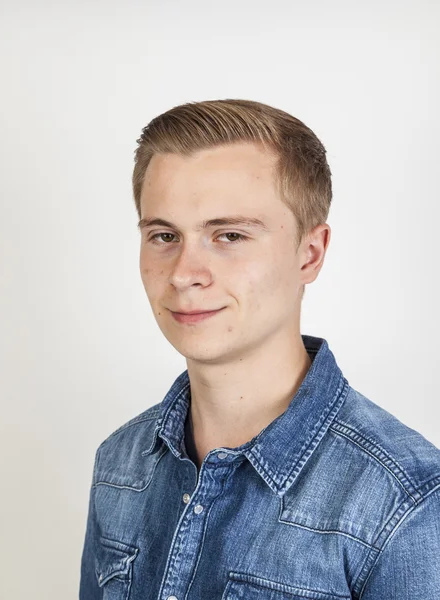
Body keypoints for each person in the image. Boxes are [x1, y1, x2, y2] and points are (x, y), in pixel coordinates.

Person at [79, 99, 440, 599]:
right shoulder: (121, 462)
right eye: (164, 235)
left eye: (229, 235)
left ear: (309, 254)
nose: (184, 273)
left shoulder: (405, 499)